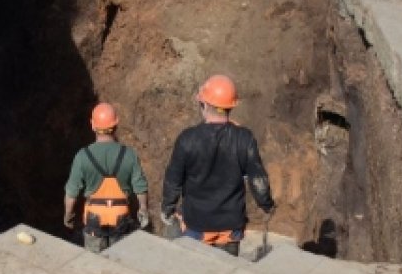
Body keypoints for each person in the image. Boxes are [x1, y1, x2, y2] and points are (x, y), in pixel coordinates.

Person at [160, 74, 275, 257]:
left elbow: (173, 180)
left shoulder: (187, 139)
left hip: (196, 225)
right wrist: (267, 205)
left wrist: (167, 208)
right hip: (230, 227)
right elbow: (258, 180)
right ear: (231, 106)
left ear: (204, 104)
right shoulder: (244, 138)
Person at [64, 103, 150, 253]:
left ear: (92, 125)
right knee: (119, 263)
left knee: (95, 266)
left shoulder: (83, 156)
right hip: (121, 218)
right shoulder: (129, 154)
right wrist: (143, 210)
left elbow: (71, 194)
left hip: (93, 221)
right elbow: (140, 188)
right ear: (116, 125)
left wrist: (68, 217)